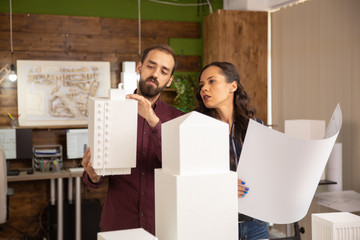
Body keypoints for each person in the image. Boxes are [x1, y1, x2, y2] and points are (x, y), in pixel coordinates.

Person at [82, 44, 184, 235]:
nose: (155, 74)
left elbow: (180, 164)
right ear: (139, 68)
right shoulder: (110, 110)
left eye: (163, 71)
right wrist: (93, 175)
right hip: (119, 224)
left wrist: (154, 122)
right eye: (150, 66)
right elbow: (97, 173)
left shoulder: (178, 120)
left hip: (163, 226)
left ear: (169, 80)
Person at [195, 62, 269, 240]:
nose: (204, 88)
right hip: (216, 223)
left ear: (233, 86)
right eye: (202, 85)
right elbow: (191, 181)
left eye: (211, 81)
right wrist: (222, 186)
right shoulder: (196, 128)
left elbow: (266, 172)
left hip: (256, 223)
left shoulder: (256, 127)